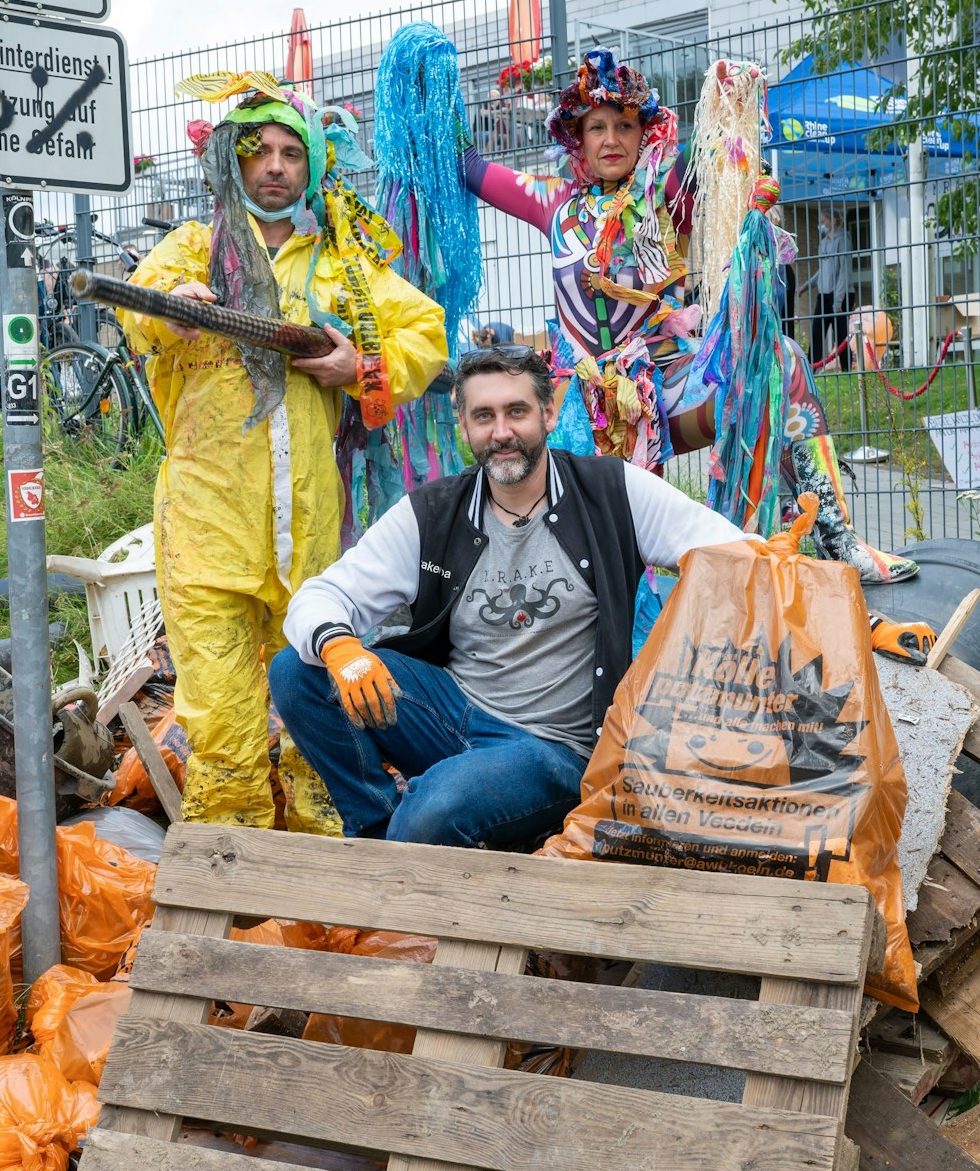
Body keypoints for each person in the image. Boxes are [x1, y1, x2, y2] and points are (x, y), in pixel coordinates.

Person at [269, 347, 931, 846]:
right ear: (464, 426)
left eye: (517, 412)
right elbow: (322, 597)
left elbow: (736, 556)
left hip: (556, 745)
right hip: (452, 713)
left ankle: (409, 860)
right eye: (484, 416)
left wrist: (858, 621)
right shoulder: (432, 512)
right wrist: (340, 645)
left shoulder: (611, 491)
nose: (502, 431)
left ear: (547, 414)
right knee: (299, 668)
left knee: (437, 807)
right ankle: (374, 834)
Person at [118, 70, 449, 825]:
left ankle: (319, 891)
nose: (273, 166)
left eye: (290, 153)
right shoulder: (192, 249)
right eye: (257, 151)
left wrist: (357, 368)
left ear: (311, 166)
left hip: (307, 536)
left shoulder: (339, 268)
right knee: (222, 728)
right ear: (230, 163)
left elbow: (423, 332)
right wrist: (178, 314)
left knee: (316, 720)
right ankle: (230, 893)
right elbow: (140, 311)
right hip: (205, 529)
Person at [456, 46, 915, 583]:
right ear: (577, 138)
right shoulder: (551, 202)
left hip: (662, 395)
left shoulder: (664, 196)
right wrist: (434, 89)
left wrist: (726, 97)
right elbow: (468, 166)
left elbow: (707, 150)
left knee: (780, 359)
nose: (610, 139)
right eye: (596, 126)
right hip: (576, 410)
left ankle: (833, 536)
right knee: (592, 560)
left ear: (642, 132)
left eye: (623, 125)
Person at [813, 210, 853, 368]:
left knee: (841, 334)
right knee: (817, 332)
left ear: (834, 220)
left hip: (841, 295)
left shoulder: (843, 240)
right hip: (824, 294)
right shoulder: (823, 243)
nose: (821, 224)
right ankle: (812, 368)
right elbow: (823, 270)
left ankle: (847, 368)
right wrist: (806, 286)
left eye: (824, 221)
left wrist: (838, 300)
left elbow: (844, 272)